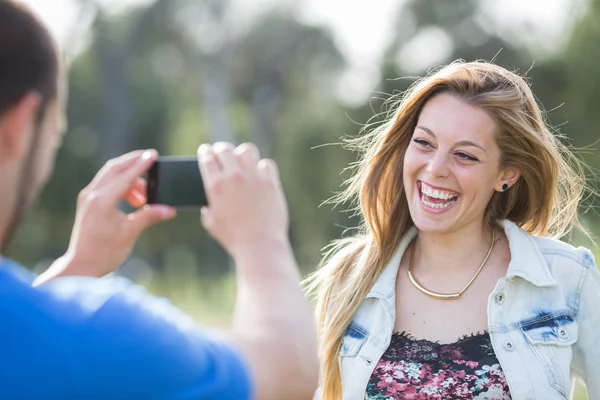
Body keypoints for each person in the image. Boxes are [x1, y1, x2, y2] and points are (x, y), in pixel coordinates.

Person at [0, 1, 318, 399]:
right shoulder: (102, 333)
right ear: (20, 125)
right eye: (54, 136)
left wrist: (78, 266)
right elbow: (288, 375)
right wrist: (261, 240)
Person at [307, 60, 600, 400]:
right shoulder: (351, 278)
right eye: (424, 143)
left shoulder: (565, 277)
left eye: (464, 155)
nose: (435, 169)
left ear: (507, 174)